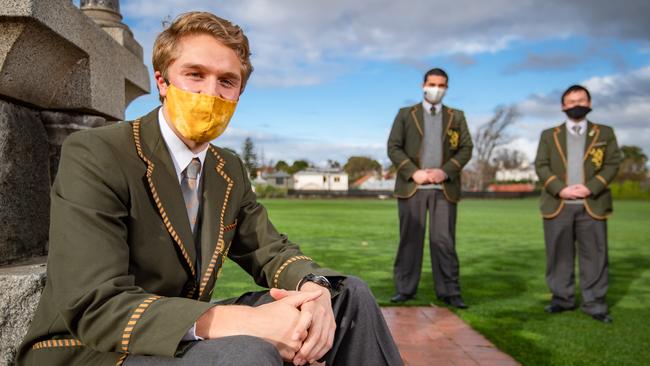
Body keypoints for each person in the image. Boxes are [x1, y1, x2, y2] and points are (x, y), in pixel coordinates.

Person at [18, 12, 402, 366]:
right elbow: (94, 305)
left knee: (346, 296)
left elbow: (268, 249)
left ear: (238, 94)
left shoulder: (227, 167)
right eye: (195, 74)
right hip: (92, 348)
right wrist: (245, 321)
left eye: (226, 81)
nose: (210, 93)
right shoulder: (98, 152)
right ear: (162, 81)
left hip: (185, 329)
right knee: (247, 352)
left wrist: (313, 287)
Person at [534, 84, 621, 323]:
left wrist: (590, 187)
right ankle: (562, 300)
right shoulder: (548, 135)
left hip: (593, 203)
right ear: (563, 106)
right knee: (558, 255)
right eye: (571, 102)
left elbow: (613, 164)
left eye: (581, 100)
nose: (576, 105)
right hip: (557, 204)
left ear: (590, 103)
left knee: (594, 255)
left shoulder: (605, 133)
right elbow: (541, 165)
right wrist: (560, 189)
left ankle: (595, 304)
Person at [387, 68, 473, 308]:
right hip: (412, 187)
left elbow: (466, 148)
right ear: (423, 85)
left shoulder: (457, 116)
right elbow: (393, 147)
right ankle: (404, 289)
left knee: (443, 241)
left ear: (446, 88)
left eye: (441, 85)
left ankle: (450, 292)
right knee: (409, 241)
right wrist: (413, 172)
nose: (436, 89)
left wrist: (444, 171)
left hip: (444, 189)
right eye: (432, 84)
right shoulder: (406, 114)